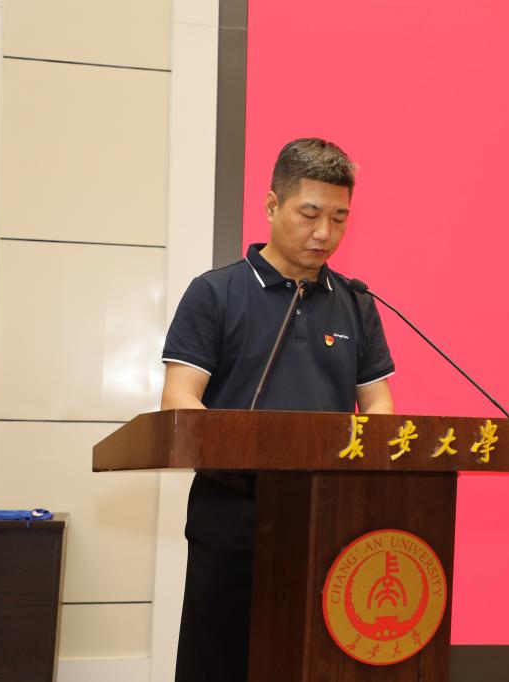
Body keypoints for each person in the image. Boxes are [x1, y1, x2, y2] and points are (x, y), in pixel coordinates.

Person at [159, 138, 395, 681]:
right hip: (235, 511)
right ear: (272, 205)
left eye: (339, 218)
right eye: (310, 214)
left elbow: (377, 402)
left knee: (319, 660)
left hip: (330, 514)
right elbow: (179, 398)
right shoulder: (216, 293)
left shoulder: (357, 302)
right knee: (221, 660)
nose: (324, 233)